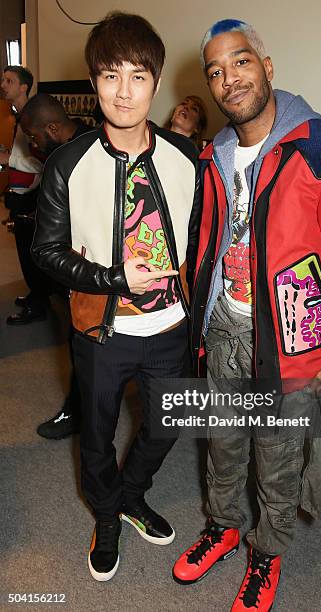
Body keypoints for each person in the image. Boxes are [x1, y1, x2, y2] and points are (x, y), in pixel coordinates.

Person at [172, 19, 321, 611]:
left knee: (279, 457)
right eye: (215, 71)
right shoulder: (214, 154)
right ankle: (223, 526)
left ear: (267, 68)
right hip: (224, 331)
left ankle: (266, 554)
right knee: (221, 443)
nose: (228, 79)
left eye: (240, 63)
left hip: (293, 342)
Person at [31, 12, 199, 582]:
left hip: (172, 328)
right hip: (104, 331)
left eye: (137, 75)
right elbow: (46, 253)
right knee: (97, 436)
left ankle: (130, 495)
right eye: (109, 75)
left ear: (155, 82)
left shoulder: (185, 158)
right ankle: (106, 516)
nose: (123, 92)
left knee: (165, 425)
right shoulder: (67, 163)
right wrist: (113, 278)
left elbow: (201, 239)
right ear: (93, 82)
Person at [19, 92, 94, 440]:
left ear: (52, 127)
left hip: (90, 267)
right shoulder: (86, 137)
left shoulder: (77, 154)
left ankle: (76, 413)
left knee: (83, 342)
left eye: (35, 137)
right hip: (77, 264)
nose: (34, 143)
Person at [0, 65, 51, 325]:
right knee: (24, 250)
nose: (3, 84)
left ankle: (38, 303)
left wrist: (9, 159)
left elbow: (43, 163)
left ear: (24, 87)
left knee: (31, 251)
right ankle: (35, 295)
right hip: (19, 192)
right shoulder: (18, 116)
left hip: (31, 195)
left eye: (9, 81)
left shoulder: (33, 117)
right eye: (3, 80)